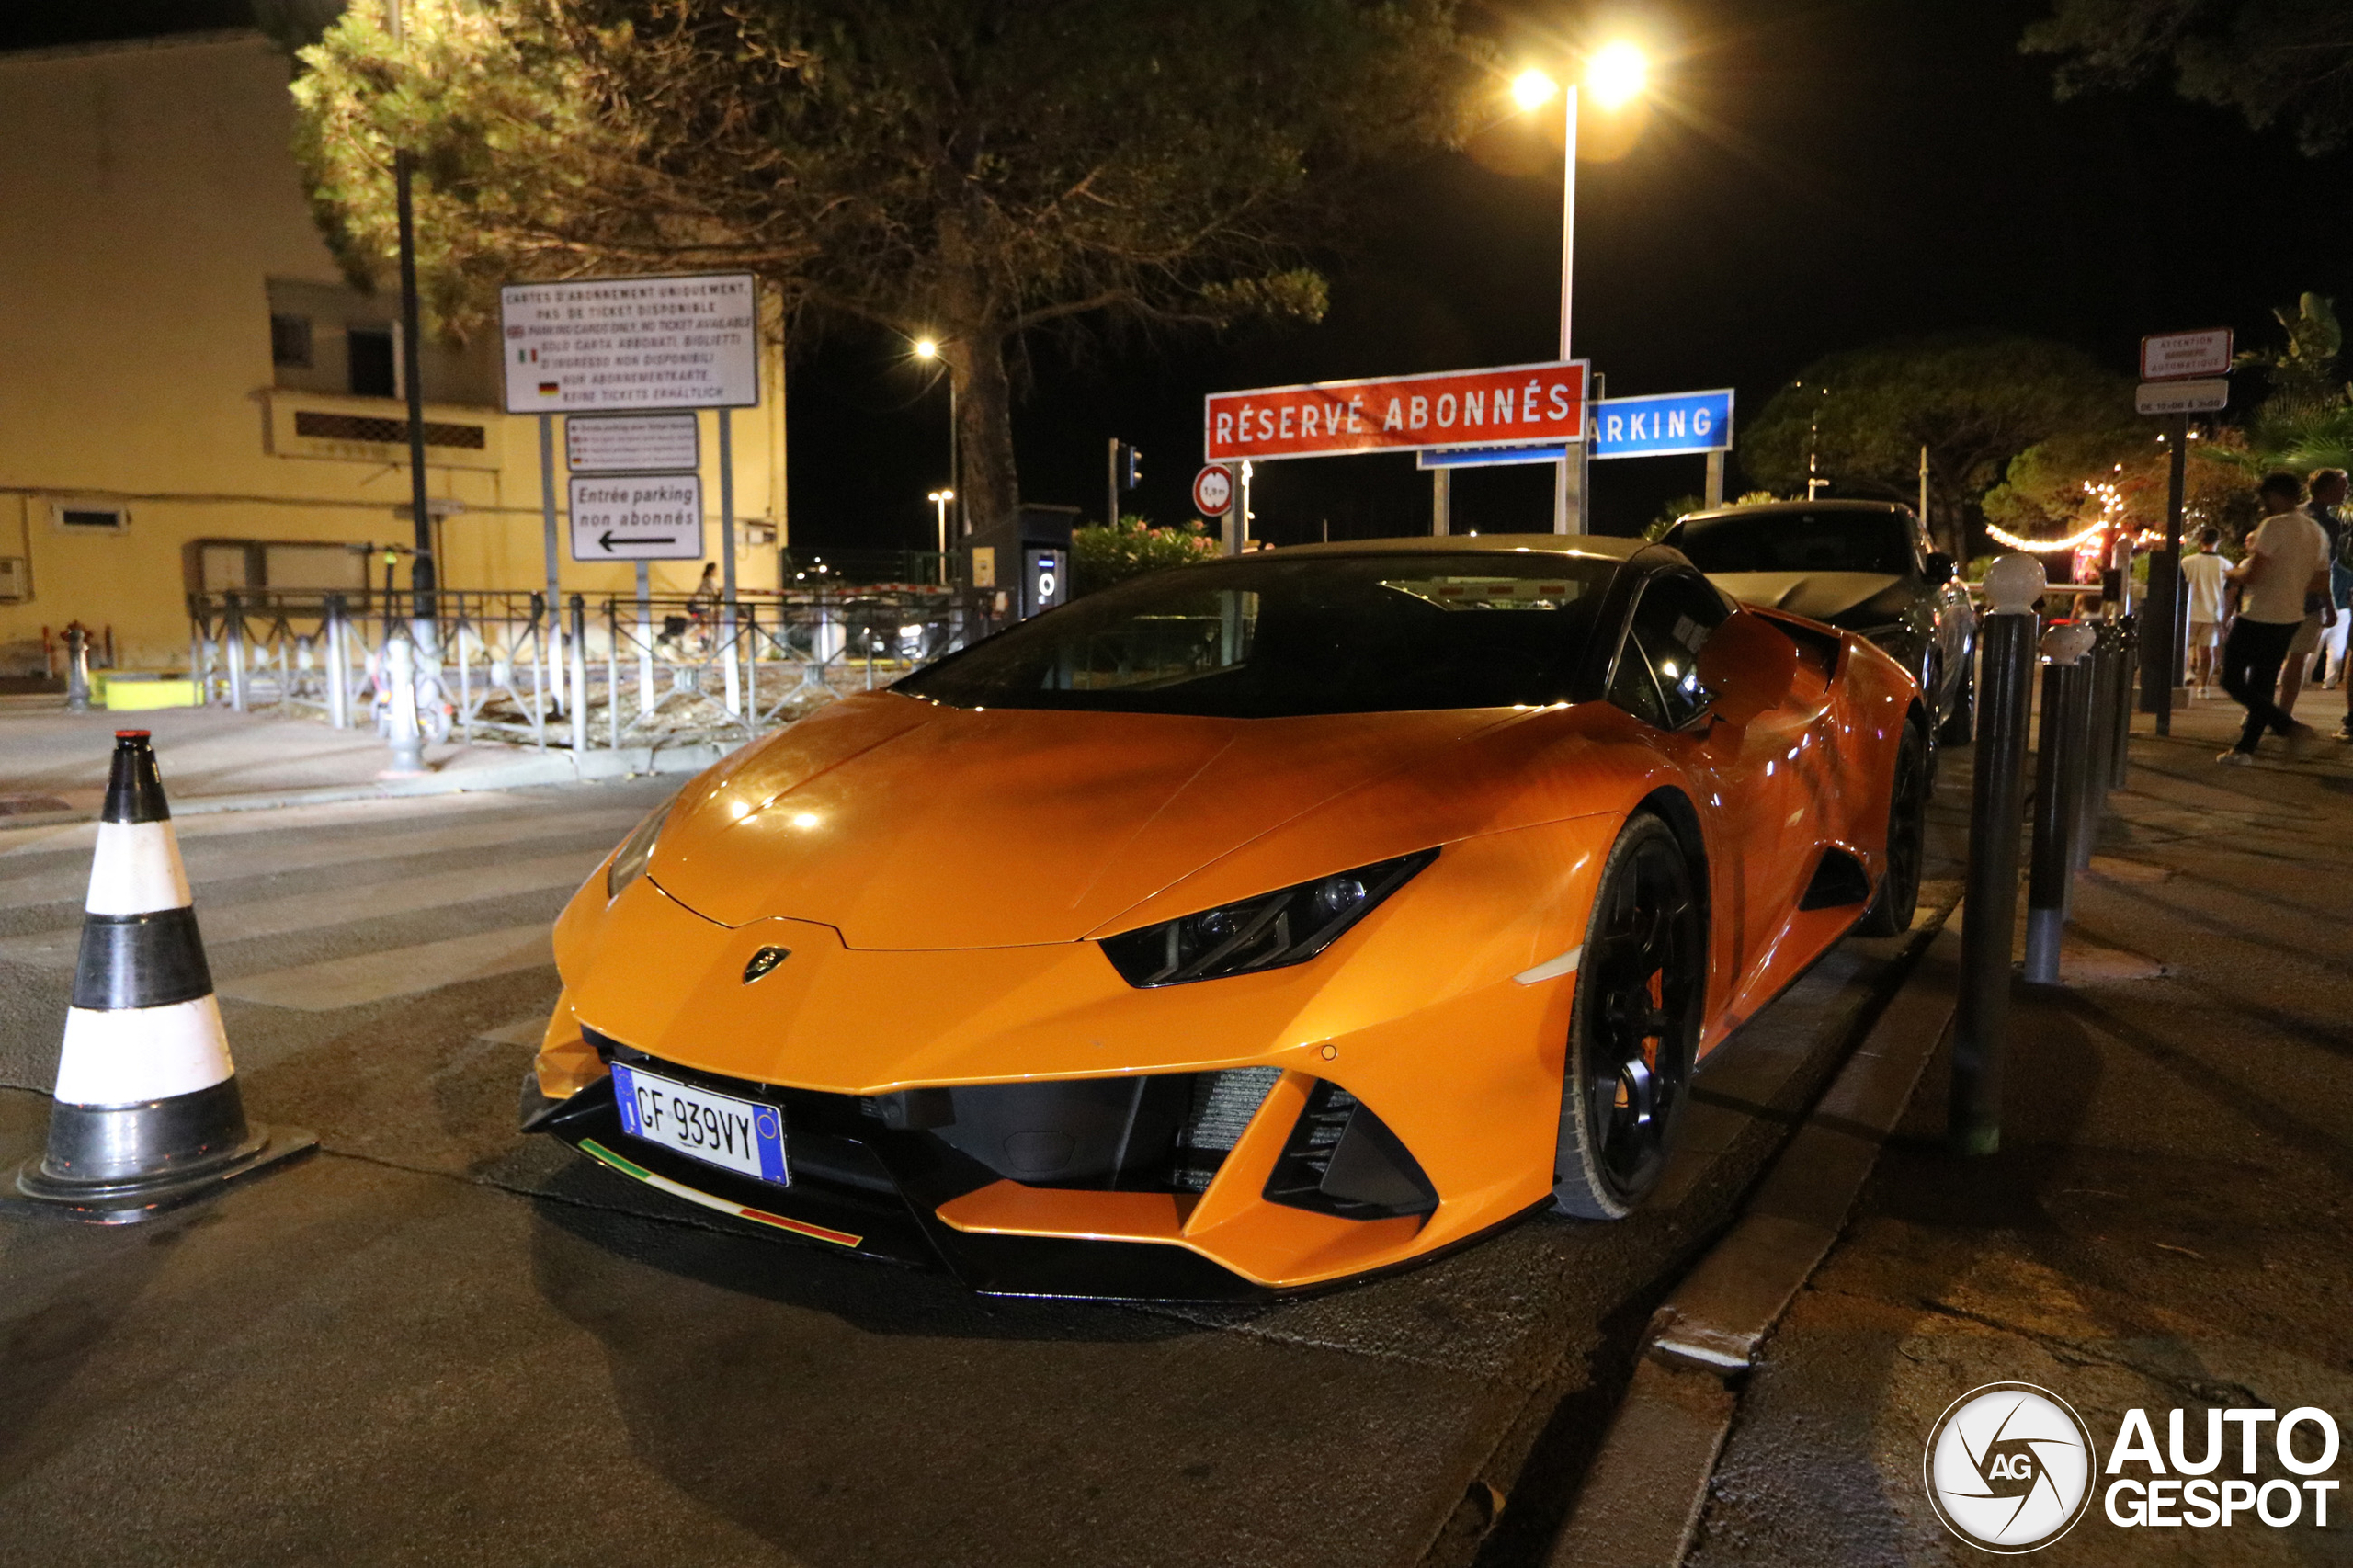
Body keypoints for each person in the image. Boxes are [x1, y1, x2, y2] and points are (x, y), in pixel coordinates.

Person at [2219, 472, 2331, 765]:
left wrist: (2233, 574)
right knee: (2264, 682)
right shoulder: (2316, 532)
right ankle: (2245, 749)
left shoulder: (2273, 526)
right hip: (2291, 615)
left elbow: (2254, 573)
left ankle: (2286, 726)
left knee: (2231, 678)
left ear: (2275, 497)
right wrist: (2292, 582)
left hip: (2259, 613)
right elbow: (2321, 581)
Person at [2280, 467, 2346, 716]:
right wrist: (2329, 606)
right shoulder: (2329, 524)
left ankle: (2261, 711)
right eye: (2343, 487)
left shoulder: (2291, 514)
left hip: (2282, 595)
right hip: (2309, 600)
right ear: (2328, 489)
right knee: (2296, 660)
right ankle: (2283, 714)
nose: (2347, 492)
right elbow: (2324, 568)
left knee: (2276, 659)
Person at [2180, 526, 2229, 697]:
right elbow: (2230, 592)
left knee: (2183, 648)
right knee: (2207, 651)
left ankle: (2186, 674)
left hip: (2189, 612)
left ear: (2200, 540)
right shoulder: (2225, 565)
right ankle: (2203, 687)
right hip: (2213, 613)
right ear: (2219, 541)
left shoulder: (2187, 562)